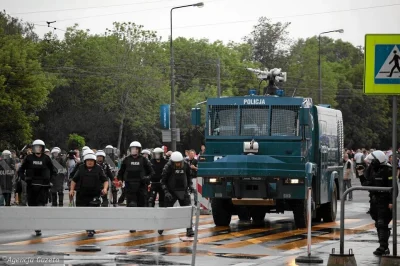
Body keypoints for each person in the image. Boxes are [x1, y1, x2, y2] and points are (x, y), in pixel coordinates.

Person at [359, 150, 398, 256]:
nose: (371, 163)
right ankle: (384, 246)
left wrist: (391, 201)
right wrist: (361, 175)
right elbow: (367, 184)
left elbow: (394, 187)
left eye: (372, 161)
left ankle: (383, 247)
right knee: (378, 223)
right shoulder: (371, 169)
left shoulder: (388, 170)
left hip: (385, 201)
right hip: (374, 200)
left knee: (382, 223)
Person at [18, 139, 57, 236]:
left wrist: (51, 180)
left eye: (40, 147)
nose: (38, 149)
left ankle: (39, 225)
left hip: (43, 186)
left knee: (40, 205)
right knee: (32, 205)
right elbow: (21, 170)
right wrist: (24, 178)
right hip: (31, 186)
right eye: (36, 147)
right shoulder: (28, 158)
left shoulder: (46, 158)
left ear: (42, 148)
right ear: (33, 148)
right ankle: (35, 225)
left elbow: (54, 170)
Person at [117, 141, 154, 233]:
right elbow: (121, 172)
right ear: (130, 150)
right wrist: (120, 180)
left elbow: (152, 172)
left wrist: (147, 178)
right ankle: (132, 225)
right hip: (129, 186)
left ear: (139, 150)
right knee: (131, 205)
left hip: (141, 186)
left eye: (136, 149)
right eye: (133, 149)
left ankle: (142, 223)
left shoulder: (144, 160)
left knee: (142, 205)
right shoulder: (126, 160)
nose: (134, 150)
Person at [69, 152, 108, 237]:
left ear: (94, 161)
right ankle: (87, 226)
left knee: (93, 211)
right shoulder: (81, 168)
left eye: (91, 161)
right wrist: (71, 190)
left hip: (94, 194)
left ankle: (91, 228)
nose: (90, 162)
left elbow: (105, 180)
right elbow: (74, 180)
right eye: (88, 161)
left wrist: (105, 188)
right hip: (82, 194)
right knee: (82, 212)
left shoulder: (98, 169)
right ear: (85, 161)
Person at [161, 151, 195, 237]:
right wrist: (166, 192)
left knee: (187, 211)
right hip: (171, 192)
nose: (178, 165)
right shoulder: (167, 167)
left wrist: (190, 186)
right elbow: (163, 181)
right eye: (176, 164)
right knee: (166, 211)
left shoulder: (186, 165)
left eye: (179, 163)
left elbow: (189, 177)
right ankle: (161, 226)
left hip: (183, 191)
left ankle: (189, 229)